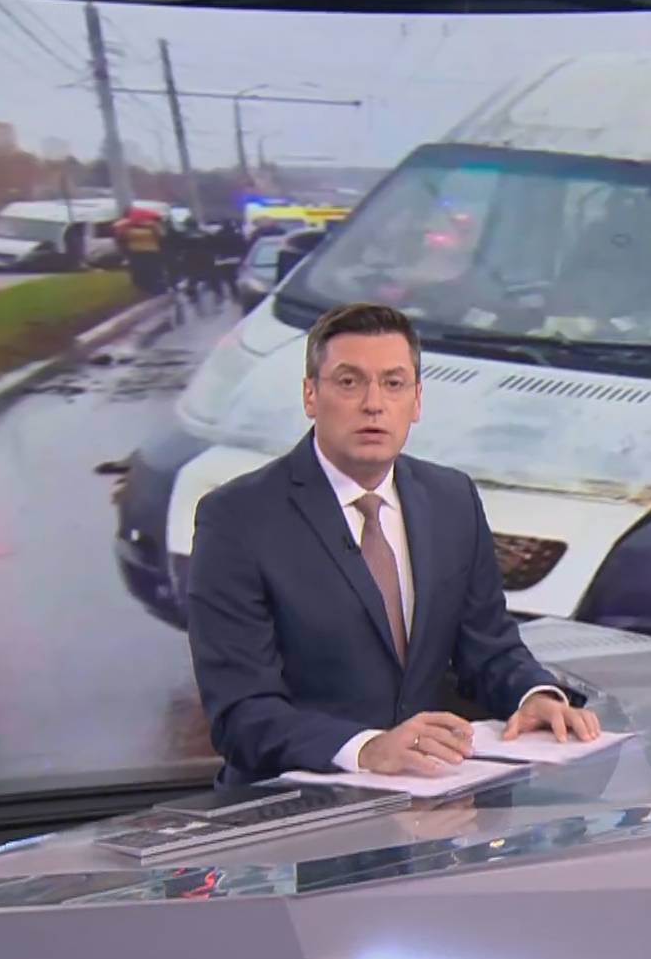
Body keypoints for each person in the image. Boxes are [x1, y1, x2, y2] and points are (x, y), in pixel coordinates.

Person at [187, 302, 600, 785]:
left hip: (428, 797)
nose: (373, 403)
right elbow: (241, 714)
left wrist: (534, 696)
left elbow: (489, 648)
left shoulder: (452, 499)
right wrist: (366, 749)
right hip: (288, 805)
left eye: (393, 383)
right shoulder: (238, 518)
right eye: (349, 382)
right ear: (310, 395)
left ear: (417, 401)